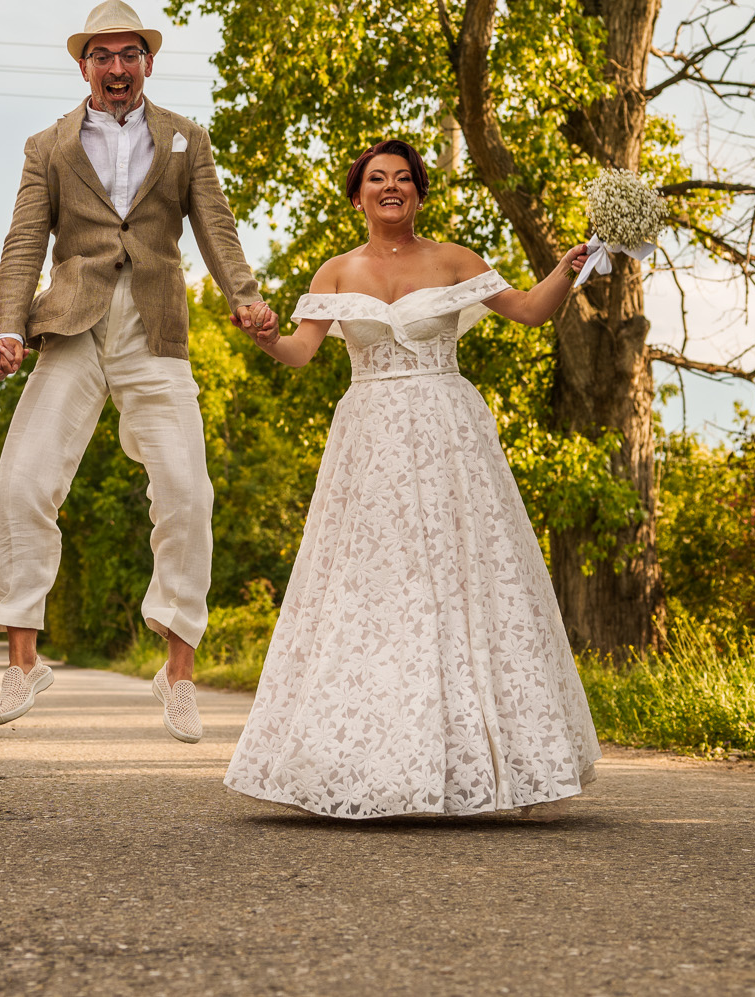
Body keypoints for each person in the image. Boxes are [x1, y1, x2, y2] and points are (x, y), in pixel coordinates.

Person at [225, 140, 602, 818]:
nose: (391, 187)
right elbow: (301, 352)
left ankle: (479, 763)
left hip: (448, 436)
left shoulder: (454, 259)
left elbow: (528, 310)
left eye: (403, 178)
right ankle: (365, 763)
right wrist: (264, 337)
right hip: (369, 443)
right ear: (358, 195)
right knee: (370, 586)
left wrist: (565, 269)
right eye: (377, 178)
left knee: (461, 580)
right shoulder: (336, 271)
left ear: (420, 193)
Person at [0, 0, 274, 743]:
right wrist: (8, 327)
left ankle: (179, 672)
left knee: (187, 491)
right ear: (84, 67)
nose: (117, 68)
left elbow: (216, 226)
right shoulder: (47, 146)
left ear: (147, 62)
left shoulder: (185, 138)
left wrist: (245, 296)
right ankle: (23, 660)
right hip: (72, 325)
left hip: (155, 327)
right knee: (21, 481)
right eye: (103, 56)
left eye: (129, 54)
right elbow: (23, 241)